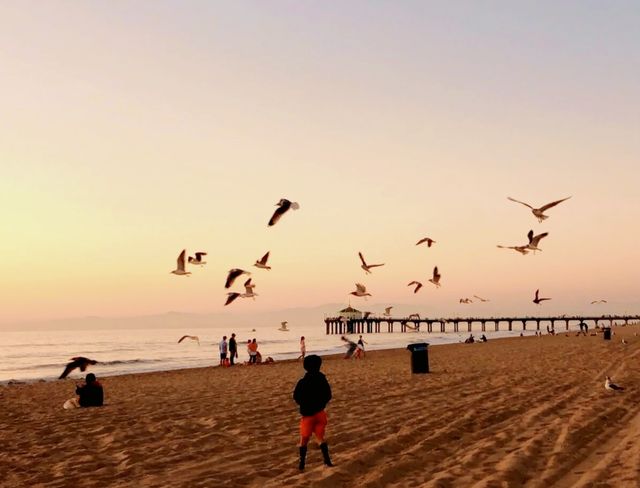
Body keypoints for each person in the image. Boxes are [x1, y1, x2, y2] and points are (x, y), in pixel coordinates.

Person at [293, 355, 333, 471]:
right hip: (320, 413)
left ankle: (302, 464)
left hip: (308, 415)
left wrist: (304, 404)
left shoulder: (302, 382)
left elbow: (296, 396)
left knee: (304, 440)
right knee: (320, 438)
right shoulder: (322, 379)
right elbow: (328, 395)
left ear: (305, 367)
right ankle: (327, 460)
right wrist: (322, 404)